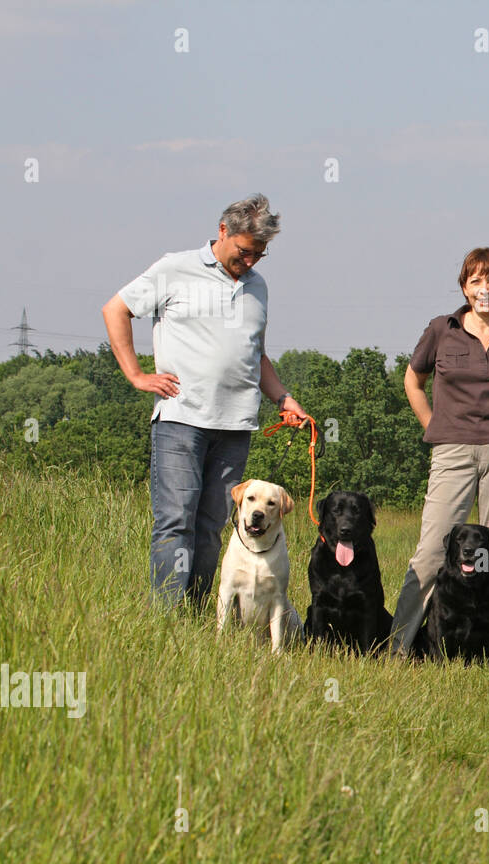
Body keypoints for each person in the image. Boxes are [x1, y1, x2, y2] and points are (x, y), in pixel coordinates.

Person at [102, 194, 308, 610]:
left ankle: (196, 613)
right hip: (181, 419)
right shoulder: (175, 268)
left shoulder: (258, 287)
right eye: (245, 252)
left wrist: (283, 398)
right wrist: (136, 375)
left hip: (236, 426)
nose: (250, 262)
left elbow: (257, 354)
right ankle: (166, 616)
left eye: (260, 255)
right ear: (222, 231)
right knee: (176, 522)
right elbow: (116, 309)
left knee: (213, 524)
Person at [390, 248, 489, 664]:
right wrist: (433, 427)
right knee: (432, 553)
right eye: (476, 281)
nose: (484, 290)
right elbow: (413, 381)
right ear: (464, 286)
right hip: (452, 449)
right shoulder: (441, 329)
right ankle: (399, 649)